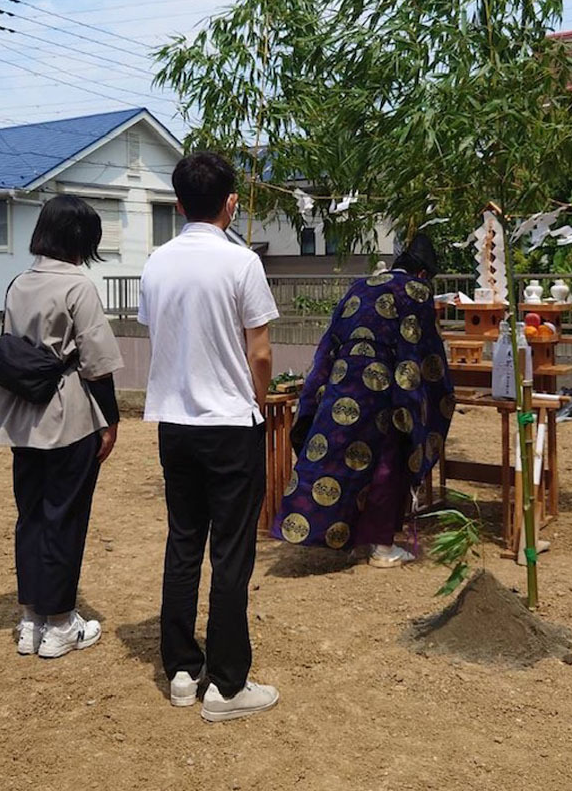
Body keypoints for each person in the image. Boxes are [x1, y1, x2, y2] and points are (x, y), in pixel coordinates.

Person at [139, 151, 281, 723]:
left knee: (183, 542)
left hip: (174, 423)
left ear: (177, 204)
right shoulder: (242, 263)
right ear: (230, 203)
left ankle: (180, 670)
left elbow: (163, 335)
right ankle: (225, 685)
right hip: (230, 424)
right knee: (231, 553)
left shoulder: (156, 263)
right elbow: (262, 350)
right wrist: (260, 398)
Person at [0, 195, 124, 658]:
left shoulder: (17, 282)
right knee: (65, 517)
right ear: (81, 239)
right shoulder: (78, 285)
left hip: (22, 416)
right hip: (68, 416)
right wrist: (112, 421)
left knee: (31, 516)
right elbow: (97, 364)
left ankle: (31, 620)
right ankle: (62, 623)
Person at [272, 233, 454, 567]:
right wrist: (425, 398)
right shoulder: (416, 292)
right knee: (388, 461)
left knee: (338, 457)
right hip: (383, 387)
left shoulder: (360, 286)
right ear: (424, 274)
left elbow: (330, 340)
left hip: (342, 380)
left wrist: (319, 389)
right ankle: (382, 547)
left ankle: (340, 534)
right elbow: (423, 351)